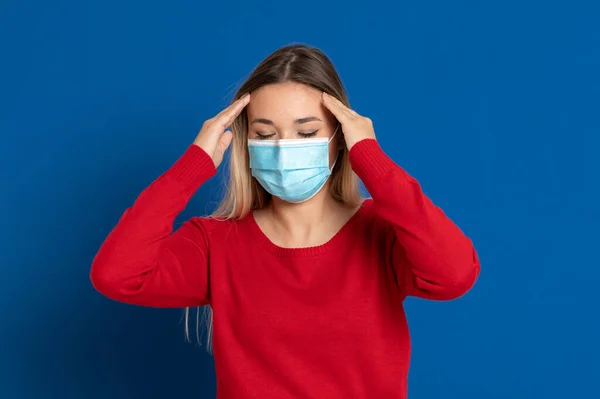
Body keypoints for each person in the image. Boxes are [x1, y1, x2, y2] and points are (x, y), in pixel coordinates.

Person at [90, 44, 480, 399]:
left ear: (340, 138)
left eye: (306, 131)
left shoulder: (382, 235)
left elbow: (455, 274)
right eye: (265, 133)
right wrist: (191, 167)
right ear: (246, 142)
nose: (284, 148)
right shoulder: (215, 243)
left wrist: (373, 162)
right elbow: (117, 275)